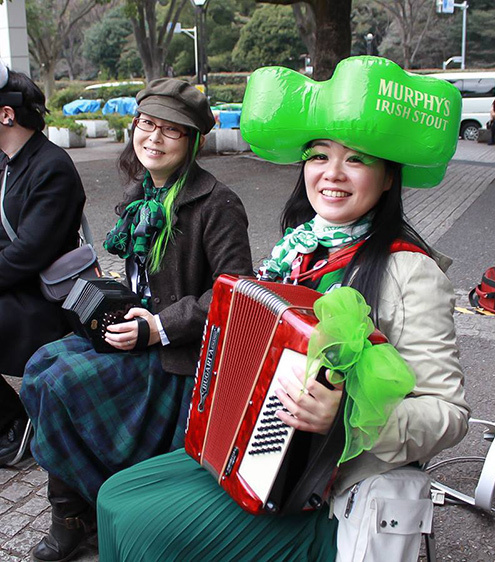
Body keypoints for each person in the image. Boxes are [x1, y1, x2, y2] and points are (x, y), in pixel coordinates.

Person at [96, 58, 470, 562]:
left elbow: (449, 415)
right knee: (116, 497)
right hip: (251, 454)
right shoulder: (294, 249)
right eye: (318, 157)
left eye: (356, 160)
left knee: (146, 532)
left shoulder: (412, 272)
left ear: (387, 179)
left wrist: (351, 415)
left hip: (326, 490)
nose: (331, 174)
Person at [20, 78, 253, 562]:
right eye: (148, 124)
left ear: (195, 141)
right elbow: (141, 277)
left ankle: (82, 513)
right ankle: (77, 510)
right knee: (41, 365)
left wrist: (158, 326)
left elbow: (236, 293)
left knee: (64, 383)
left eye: (172, 130)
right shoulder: (138, 193)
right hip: (134, 331)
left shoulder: (218, 203)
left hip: (179, 356)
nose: (154, 138)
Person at [0, 61, 85, 466]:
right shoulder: (6, 162)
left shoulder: (52, 167)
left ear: (6, 113)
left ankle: (14, 424)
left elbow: (28, 254)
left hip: (45, 302)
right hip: (12, 291)